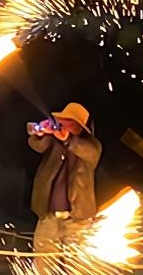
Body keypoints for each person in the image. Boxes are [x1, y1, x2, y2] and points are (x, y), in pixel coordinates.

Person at [26, 102, 102, 253]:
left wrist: (68, 140)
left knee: (77, 262)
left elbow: (90, 153)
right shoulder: (54, 141)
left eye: (69, 121)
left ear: (78, 126)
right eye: (63, 120)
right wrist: (40, 132)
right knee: (45, 261)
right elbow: (37, 144)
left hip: (77, 220)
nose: (63, 124)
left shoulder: (91, 145)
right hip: (49, 218)